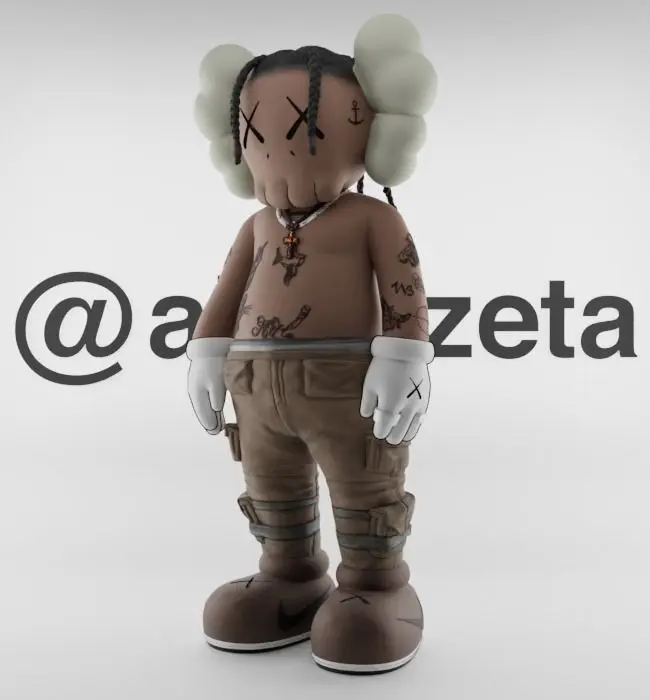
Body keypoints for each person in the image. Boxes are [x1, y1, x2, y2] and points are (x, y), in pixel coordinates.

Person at [186, 13, 437, 675]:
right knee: (271, 488)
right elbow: (224, 293)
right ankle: (290, 575)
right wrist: (206, 354)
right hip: (254, 393)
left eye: (306, 130)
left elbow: (406, 289)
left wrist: (405, 357)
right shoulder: (256, 227)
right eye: (257, 134)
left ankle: (378, 587)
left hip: (348, 388)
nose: (278, 153)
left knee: (365, 487)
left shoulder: (374, 218)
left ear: (371, 131)